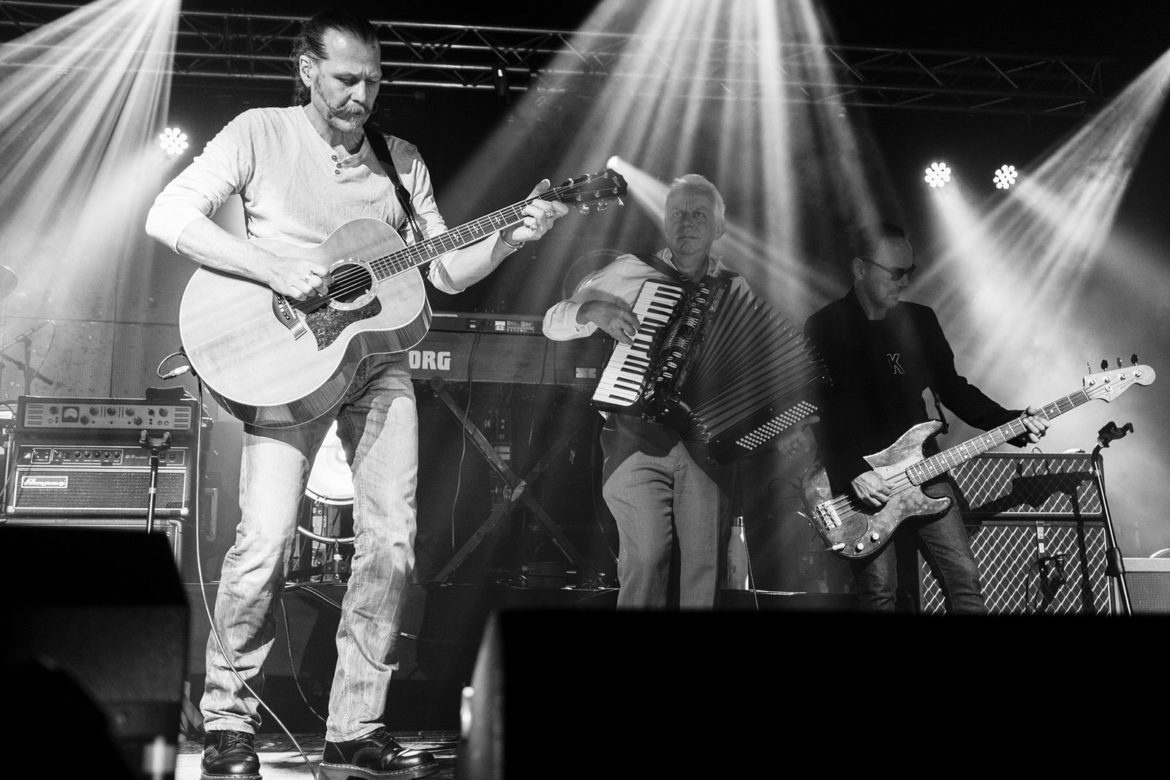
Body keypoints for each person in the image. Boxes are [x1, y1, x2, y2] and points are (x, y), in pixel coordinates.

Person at [145, 10, 567, 780]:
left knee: (393, 541)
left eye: (373, 79)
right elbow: (166, 214)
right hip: (282, 364)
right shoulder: (258, 132)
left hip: (377, 364)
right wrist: (275, 270)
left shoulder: (398, 160)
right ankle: (229, 721)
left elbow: (444, 270)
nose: (361, 94)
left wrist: (512, 235)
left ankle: (355, 727)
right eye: (346, 78)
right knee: (263, 543)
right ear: (307, 71)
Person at [543, 174, 808, 608]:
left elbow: (753, 371)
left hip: (705, 449)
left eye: (698, 215)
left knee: (703, 573)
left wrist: (783, 422)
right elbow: (553, 321)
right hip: (636, 439)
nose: (686, 223)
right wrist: (588, 309)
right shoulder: (632, 271)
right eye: (677, 214)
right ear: (665, 223)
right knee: (646, 559)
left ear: (718, 229)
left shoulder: (735, 288)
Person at [802, 221, 1048, 613]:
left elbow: (954, 390)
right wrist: (852, 470)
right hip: (860, 483)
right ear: (860, 268)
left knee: (964, 576)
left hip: (924, 468)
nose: (904, 282)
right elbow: (818, 413)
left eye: (910, 273)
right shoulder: (824, 327)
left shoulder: (920, 321)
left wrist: (1014, 421)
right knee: (880, 590)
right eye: (895, 273)